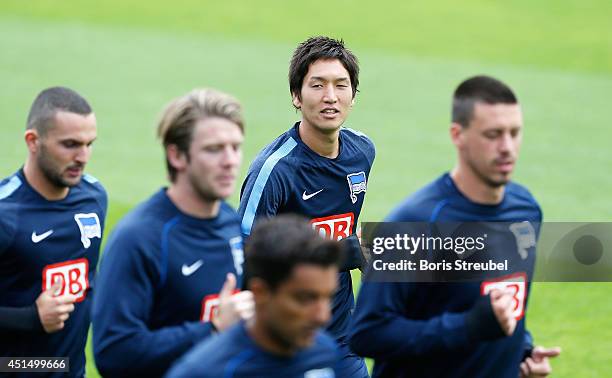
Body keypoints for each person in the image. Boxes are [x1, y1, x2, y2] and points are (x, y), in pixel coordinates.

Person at [349, 75, 561, 377]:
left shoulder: (526, 211)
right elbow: (367, 333)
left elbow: (504, 302)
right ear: (457, 134)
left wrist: (521, 351)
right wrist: (467, 327)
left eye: (515, 133)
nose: (507, 147)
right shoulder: (413, 224)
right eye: (493, 134)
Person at [92, 88, 254, 377]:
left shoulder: (231, 223)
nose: (230, 160)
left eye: (235, 147)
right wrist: (214, 328)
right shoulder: (139, 238)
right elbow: (113, 352)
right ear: (177, 155)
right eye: (214, 149)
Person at [238, 36, 374, 377]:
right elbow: (245, 258)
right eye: (318, 85)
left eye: (341, 85)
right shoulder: (274, 171)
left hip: (342, 341)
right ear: (296, 96)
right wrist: (342, 253)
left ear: (353, 96)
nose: (331, 96)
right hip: (284, 347)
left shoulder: (363, 152)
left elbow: (348, 234)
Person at [0, 87, 106, 377]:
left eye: (89, 144)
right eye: (70, 144)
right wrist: (30, 319)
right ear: (33, 141)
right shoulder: (5, 215)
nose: (82, 156)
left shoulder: (95, 197)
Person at [167, 215, 344, 378]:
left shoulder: (325, 352)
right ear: (260, 292)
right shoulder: (204, 372)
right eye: (305, 299)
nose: (323, 317)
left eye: (328, 298)